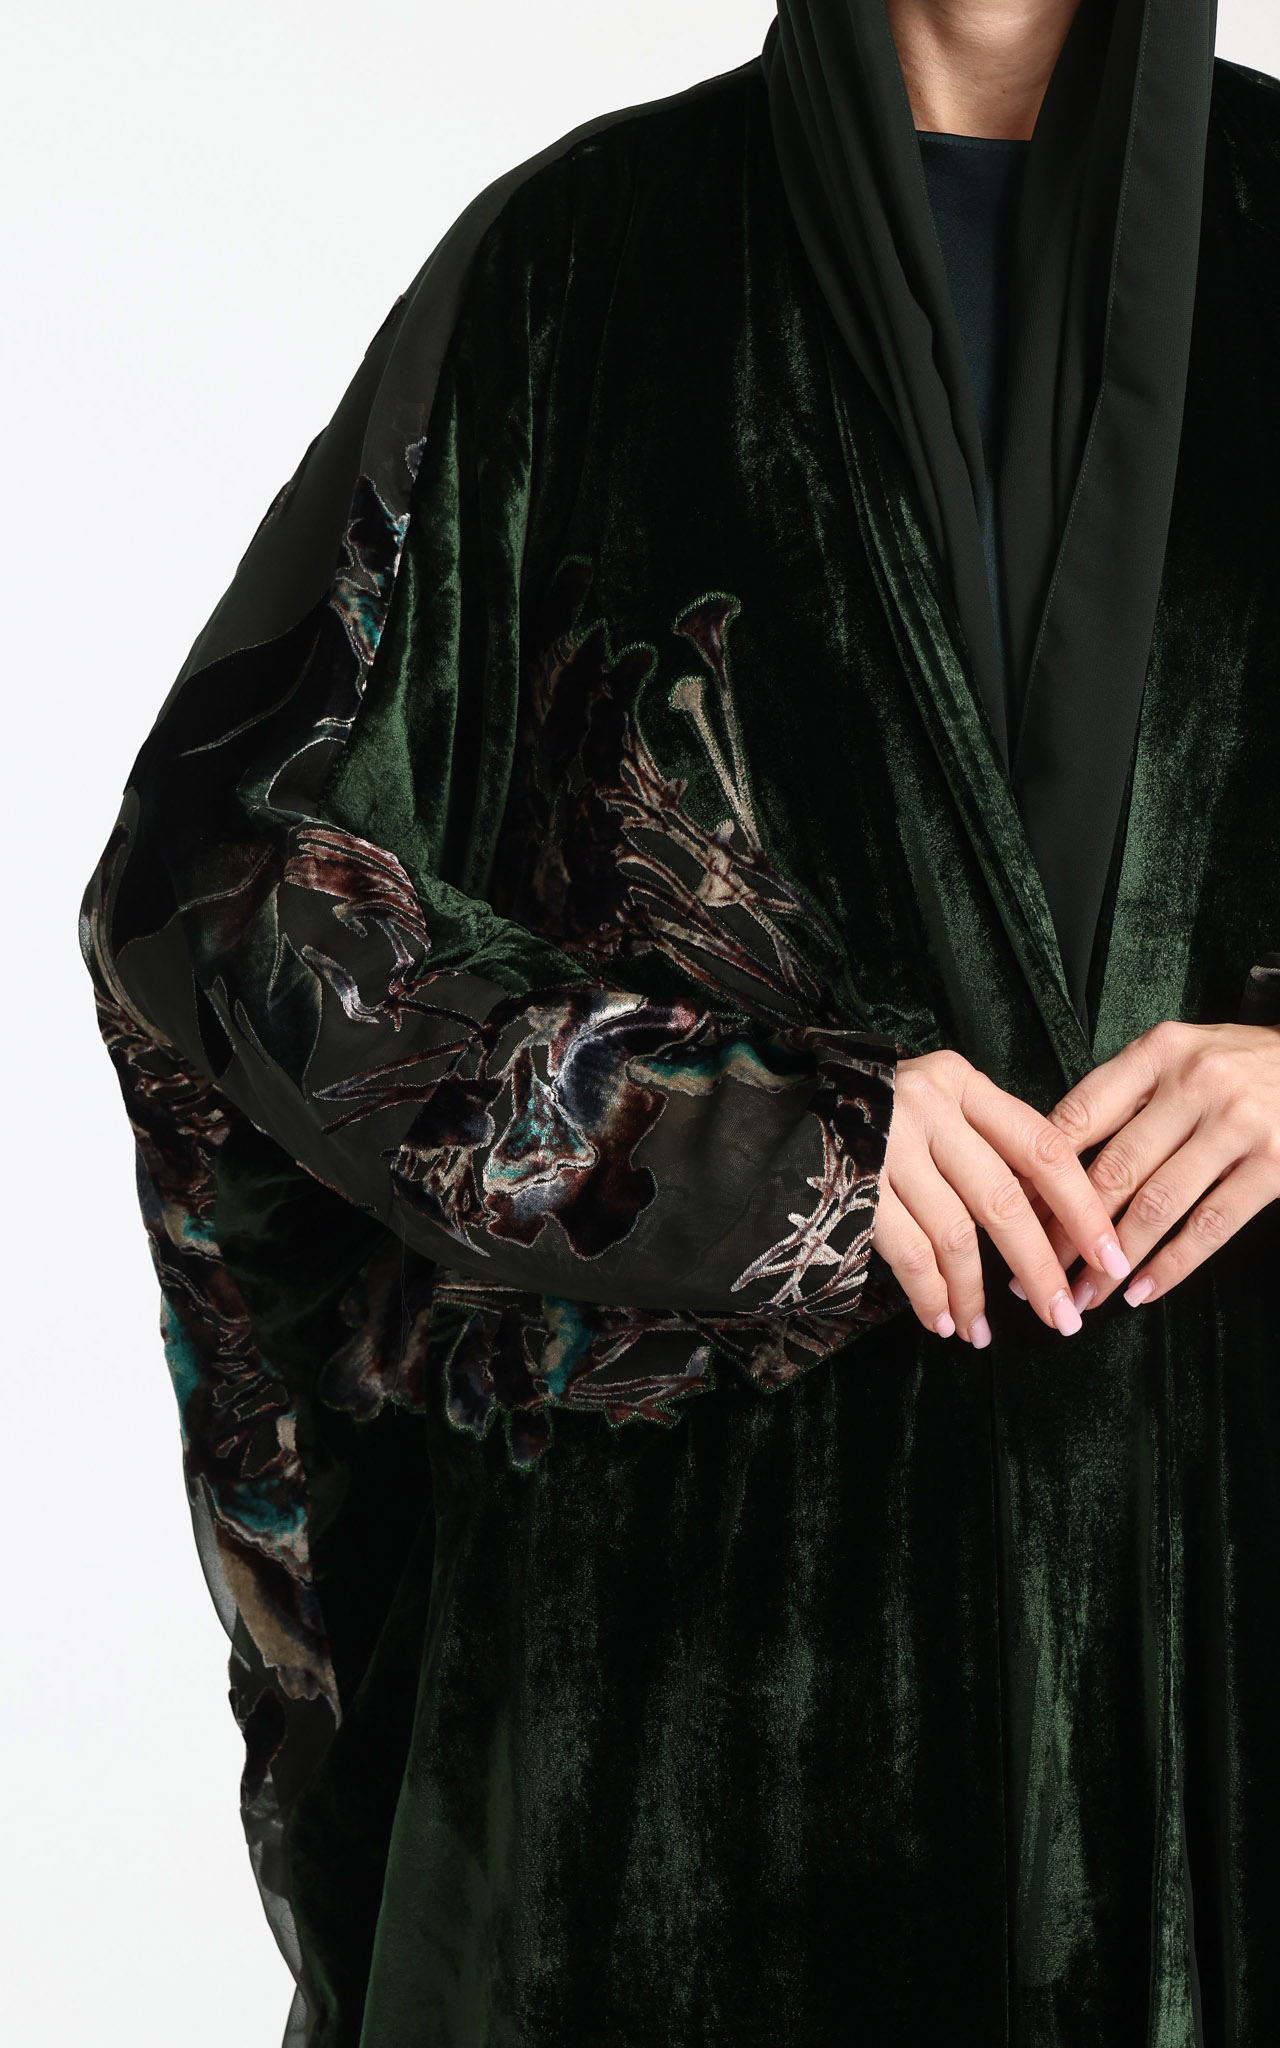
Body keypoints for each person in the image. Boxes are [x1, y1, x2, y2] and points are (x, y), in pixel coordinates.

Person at [79, 0, 1280, 2039]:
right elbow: (213, 885)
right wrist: (733, 1146)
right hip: (686, 1713)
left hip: (1219, 1623)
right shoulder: (573, 269)